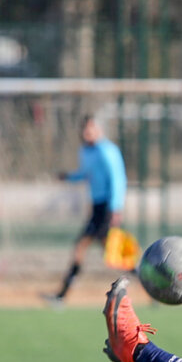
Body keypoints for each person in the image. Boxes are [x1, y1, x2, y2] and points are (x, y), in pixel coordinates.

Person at [49, 116, 127, 302]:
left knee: (109, 253)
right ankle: (62, 295)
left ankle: (148, 281)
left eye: (91, 128)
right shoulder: (85, 151)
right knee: (84, 248)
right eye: (85, 129)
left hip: (107, 206)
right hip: (97, 206)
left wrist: (115, 208)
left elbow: (117, 180)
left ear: (99, 130)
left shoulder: (107, 151)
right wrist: (69, 177)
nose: (87, 133)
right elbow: (86, 174)